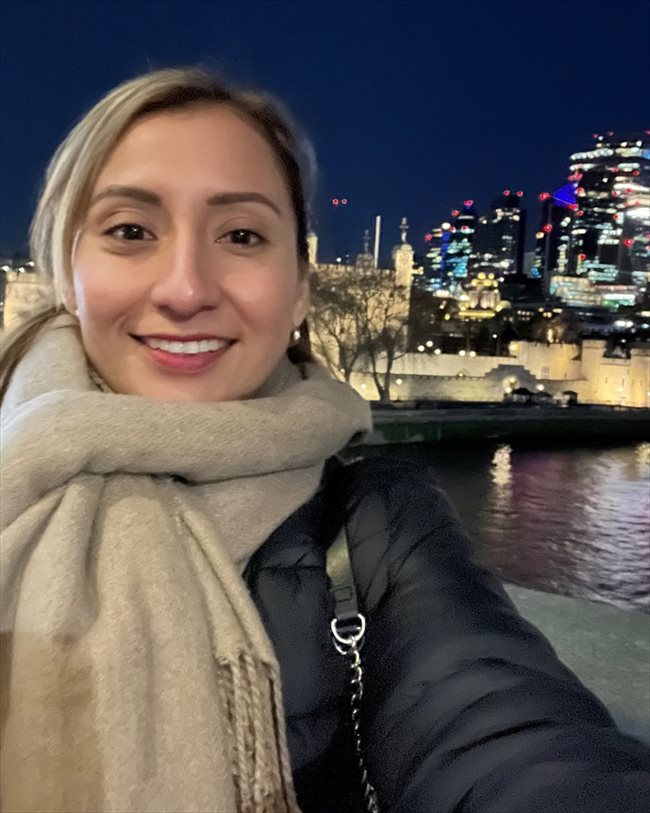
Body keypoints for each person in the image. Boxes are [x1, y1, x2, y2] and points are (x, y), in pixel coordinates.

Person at [0, 67, 647, 813]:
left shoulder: (376, 530)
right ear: (64, 271)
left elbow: (500, 726)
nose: (185, 289)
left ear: (300, 290)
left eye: (242, 235)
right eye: (130, 231)